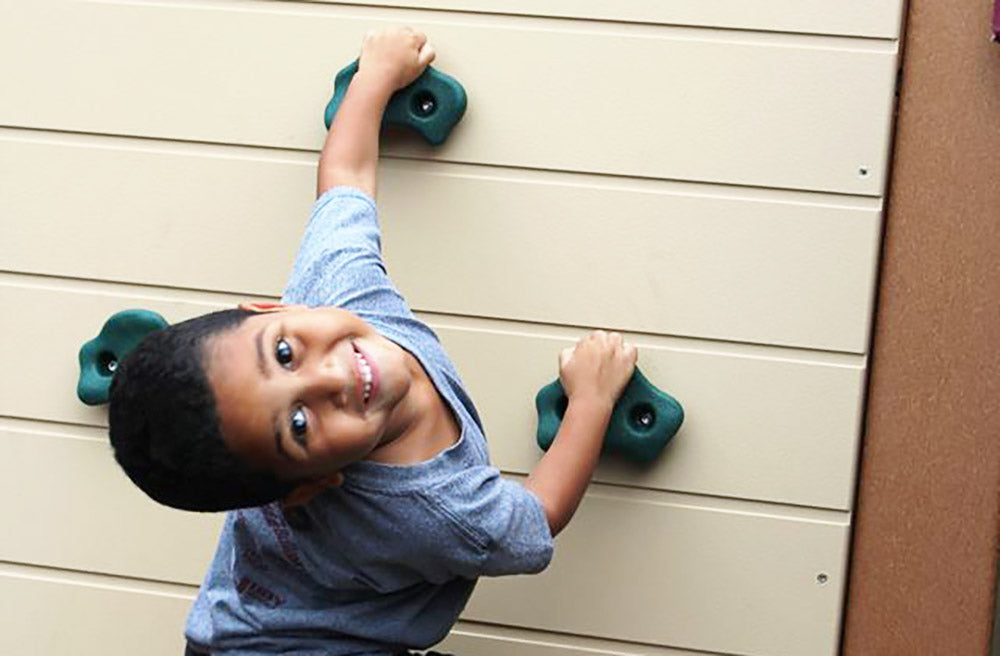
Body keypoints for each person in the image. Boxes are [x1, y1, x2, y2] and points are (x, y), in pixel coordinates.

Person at [108, 27, 637, 656]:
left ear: (272, 307)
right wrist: (593, 403)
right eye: (299, 424)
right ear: (309, 486)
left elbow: (346, 179)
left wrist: (375, 78)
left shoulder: (334, 290)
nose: (329, 378)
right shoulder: (434, 511)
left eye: (283, 353)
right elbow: (534, 520)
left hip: (232, 627)